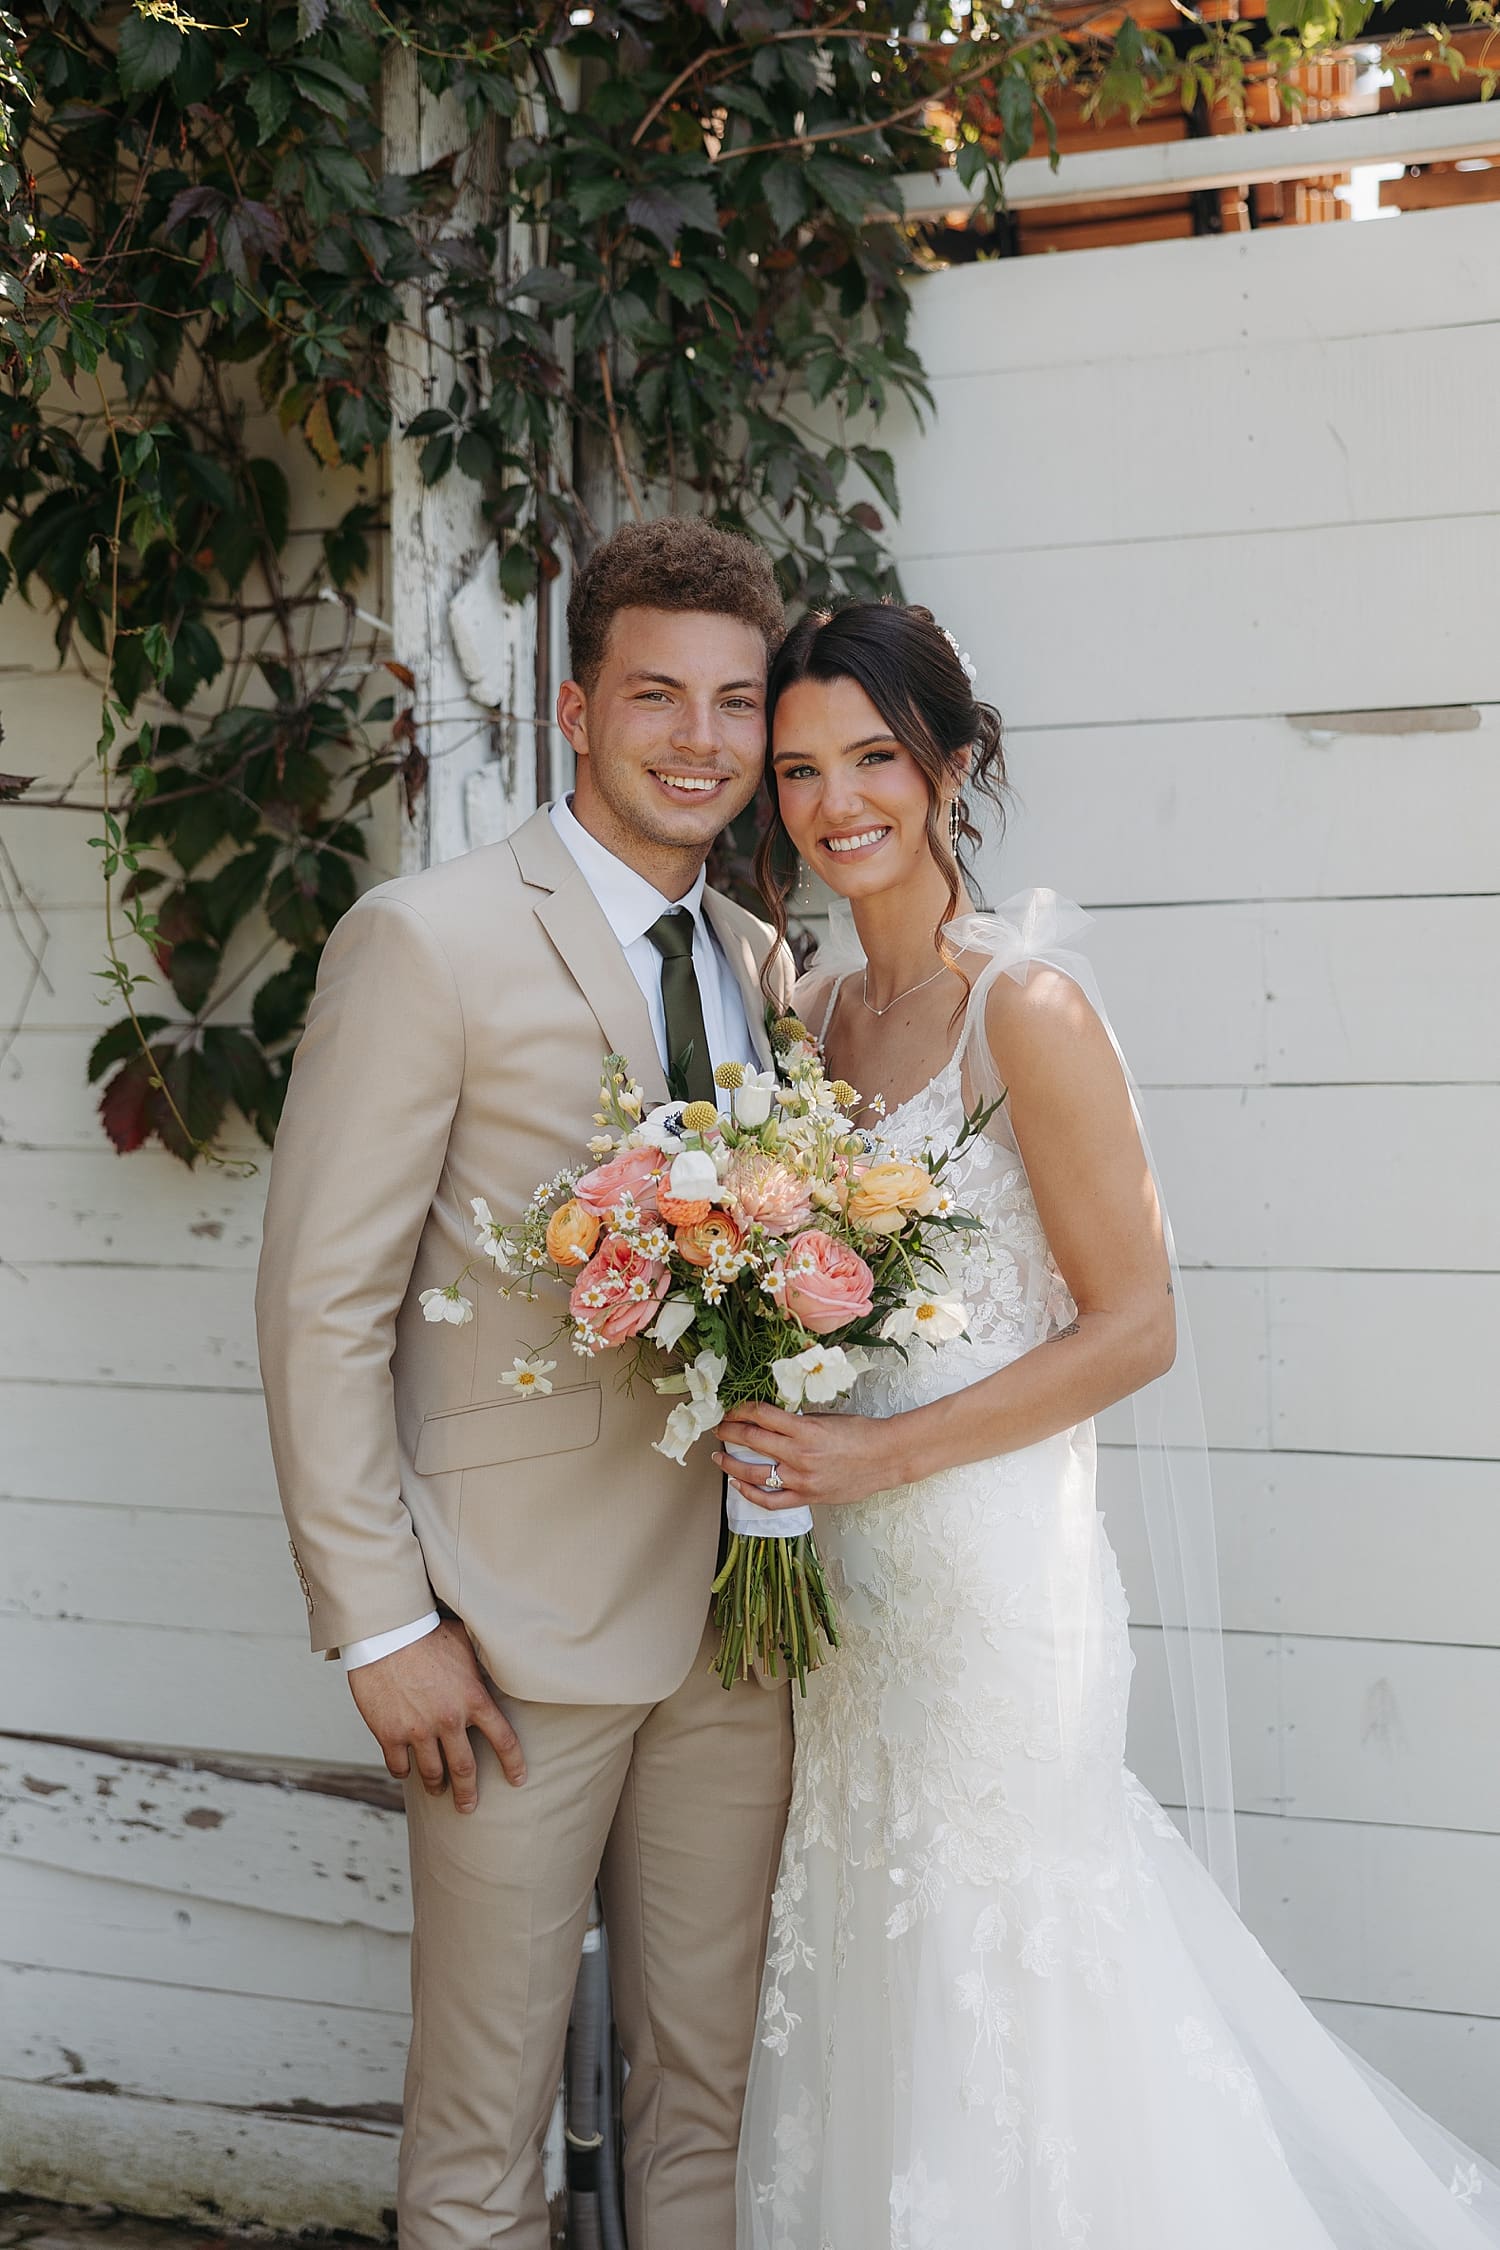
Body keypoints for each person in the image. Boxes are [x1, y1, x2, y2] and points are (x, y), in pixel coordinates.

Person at [726, 600, 1500, 2248]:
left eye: (871, 755)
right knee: (878, 1958)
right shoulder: (812, 1026)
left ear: (950, 763)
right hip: (848, 1598)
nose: (833, 799)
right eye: (797, 769)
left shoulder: (1031, 1010)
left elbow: (1137, 1325)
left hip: (993, 1588)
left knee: (1010, 1972)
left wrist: (872, 1455)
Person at [255, 517, 796, 2250]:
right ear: (576, 709)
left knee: (704, 2101)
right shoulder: (429, 940)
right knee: (482, 2145)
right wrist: (377, 1621)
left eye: (734, 701)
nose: (700, 739)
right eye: (658, 696)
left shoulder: (760, 962)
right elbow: (318, 1304)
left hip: (742, 1629)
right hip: (506, 1637)